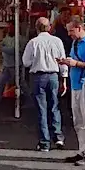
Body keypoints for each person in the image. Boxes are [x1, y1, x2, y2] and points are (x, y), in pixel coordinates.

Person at [22, 17, 66, 151]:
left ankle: (44, 142)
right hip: (53, 75)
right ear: (49, 27)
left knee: (41, 109)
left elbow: (26, 62)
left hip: (38, 76)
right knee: (54, 106)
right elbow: (63, 61)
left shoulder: (33, 42)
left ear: (36, 28)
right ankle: (58, 137)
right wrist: (64, 79)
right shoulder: (57, 41)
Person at [60, 20, 85, 162]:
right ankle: (82, 150)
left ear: (79, 28)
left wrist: (75, 64)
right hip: (74, 84)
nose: (69, 34)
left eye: (71, 31)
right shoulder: (75, 43)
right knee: (77, 120)